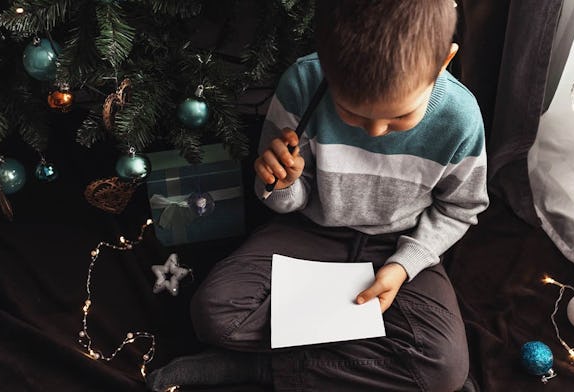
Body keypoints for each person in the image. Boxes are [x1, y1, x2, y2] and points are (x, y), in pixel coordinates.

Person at [147, 0, 488, 391]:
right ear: (326, 61)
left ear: (443, 62)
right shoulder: (304, 83)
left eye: (399, 117)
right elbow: (278, 196)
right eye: (352, 113)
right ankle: (365, 368)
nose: (375, 131)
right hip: (307, 230)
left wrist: (403, 265)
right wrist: (283, 182)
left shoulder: (461, 118)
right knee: (214, 315)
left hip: (398, 243)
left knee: (443, 370)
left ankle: (256, 368)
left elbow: (461, 206)